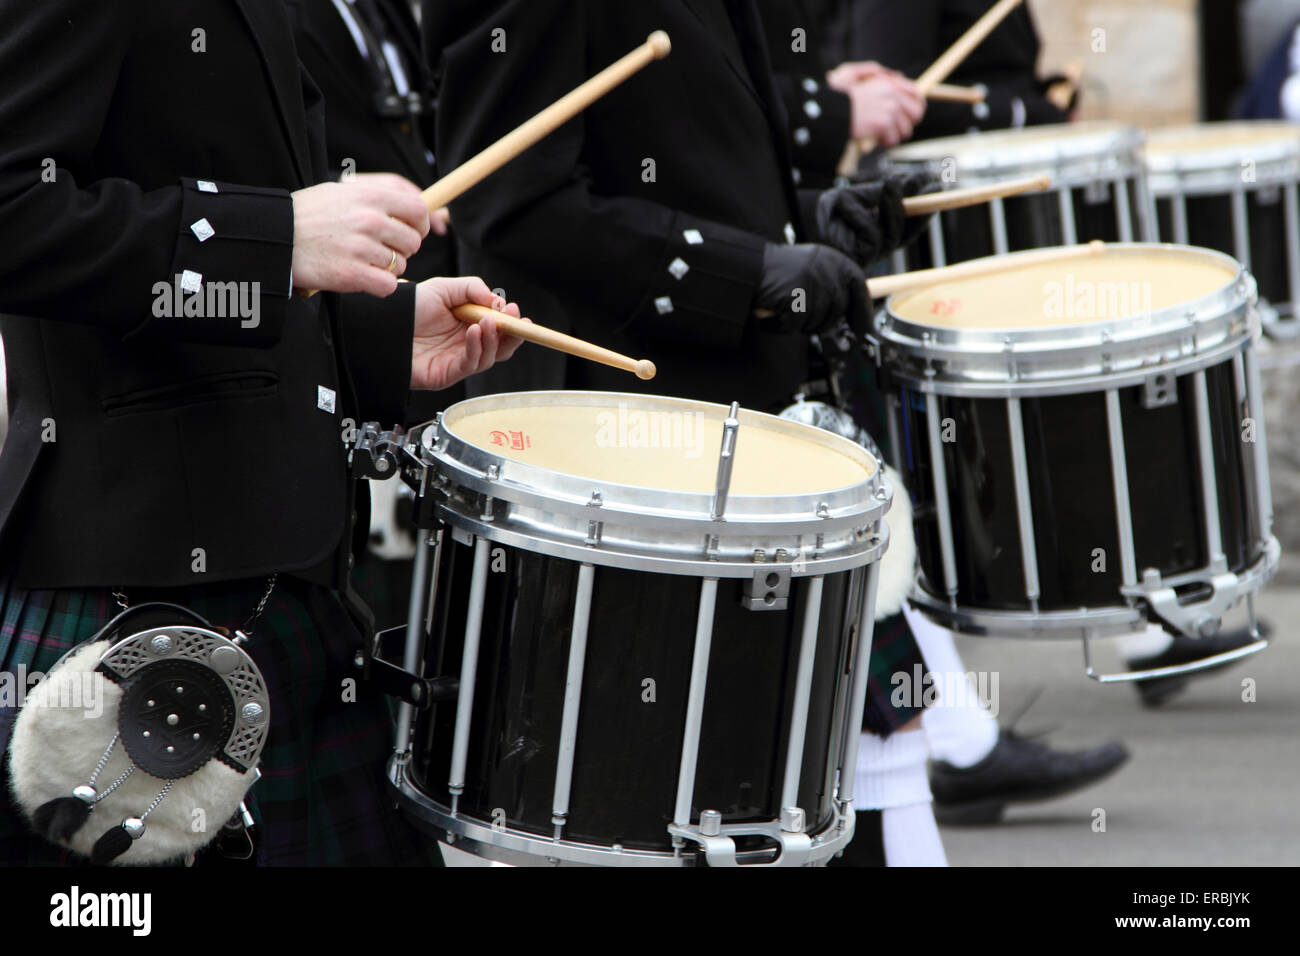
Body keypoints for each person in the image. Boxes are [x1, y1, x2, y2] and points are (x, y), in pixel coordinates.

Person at [0, 0, 524, 866]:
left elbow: (254, 274)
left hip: (288, 598)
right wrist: (274, 236)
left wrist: (381, 335)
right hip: (134, 599)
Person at [428, 0, 947, 865]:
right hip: (629, 472)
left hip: (742, 434)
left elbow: (680, 170)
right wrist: (745, 274)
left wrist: (812, 221)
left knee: (854, 752)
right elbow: (511, 206)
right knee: (673, 820)